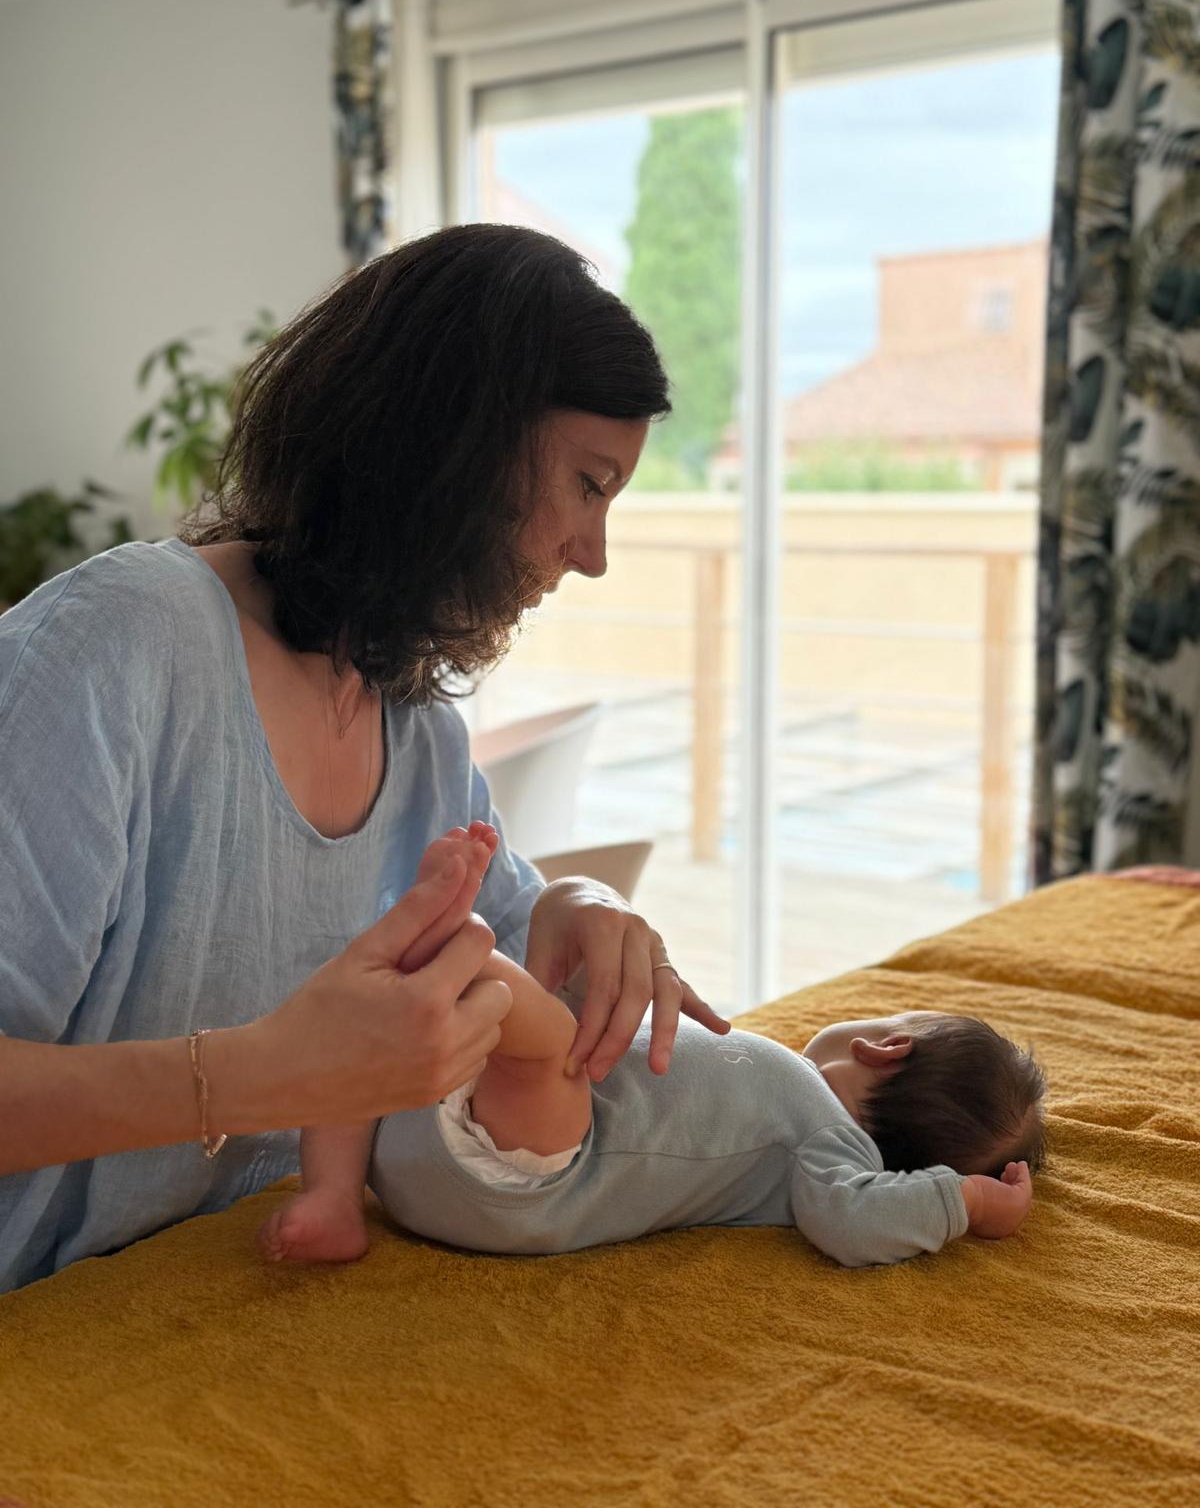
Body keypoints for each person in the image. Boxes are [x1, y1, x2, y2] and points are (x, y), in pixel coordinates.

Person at [0, 225, 729, 1295]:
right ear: (457, 443)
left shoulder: (412, 720)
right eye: (588, 483)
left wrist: (580, 902)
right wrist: (257, 1075)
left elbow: (517, 938)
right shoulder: (117, 645)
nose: (593, 555)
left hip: (209, 1315)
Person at [261, 825, 1045, 1270]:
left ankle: (449, 940)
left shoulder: (834, 1147)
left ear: (885, 1046)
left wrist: (966, 1201)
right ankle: (333, 1198)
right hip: (453, 1137)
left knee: (545, 1045)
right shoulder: (799, 1120)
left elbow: (852, 1222)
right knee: (368, 1046)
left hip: (553, 1170)